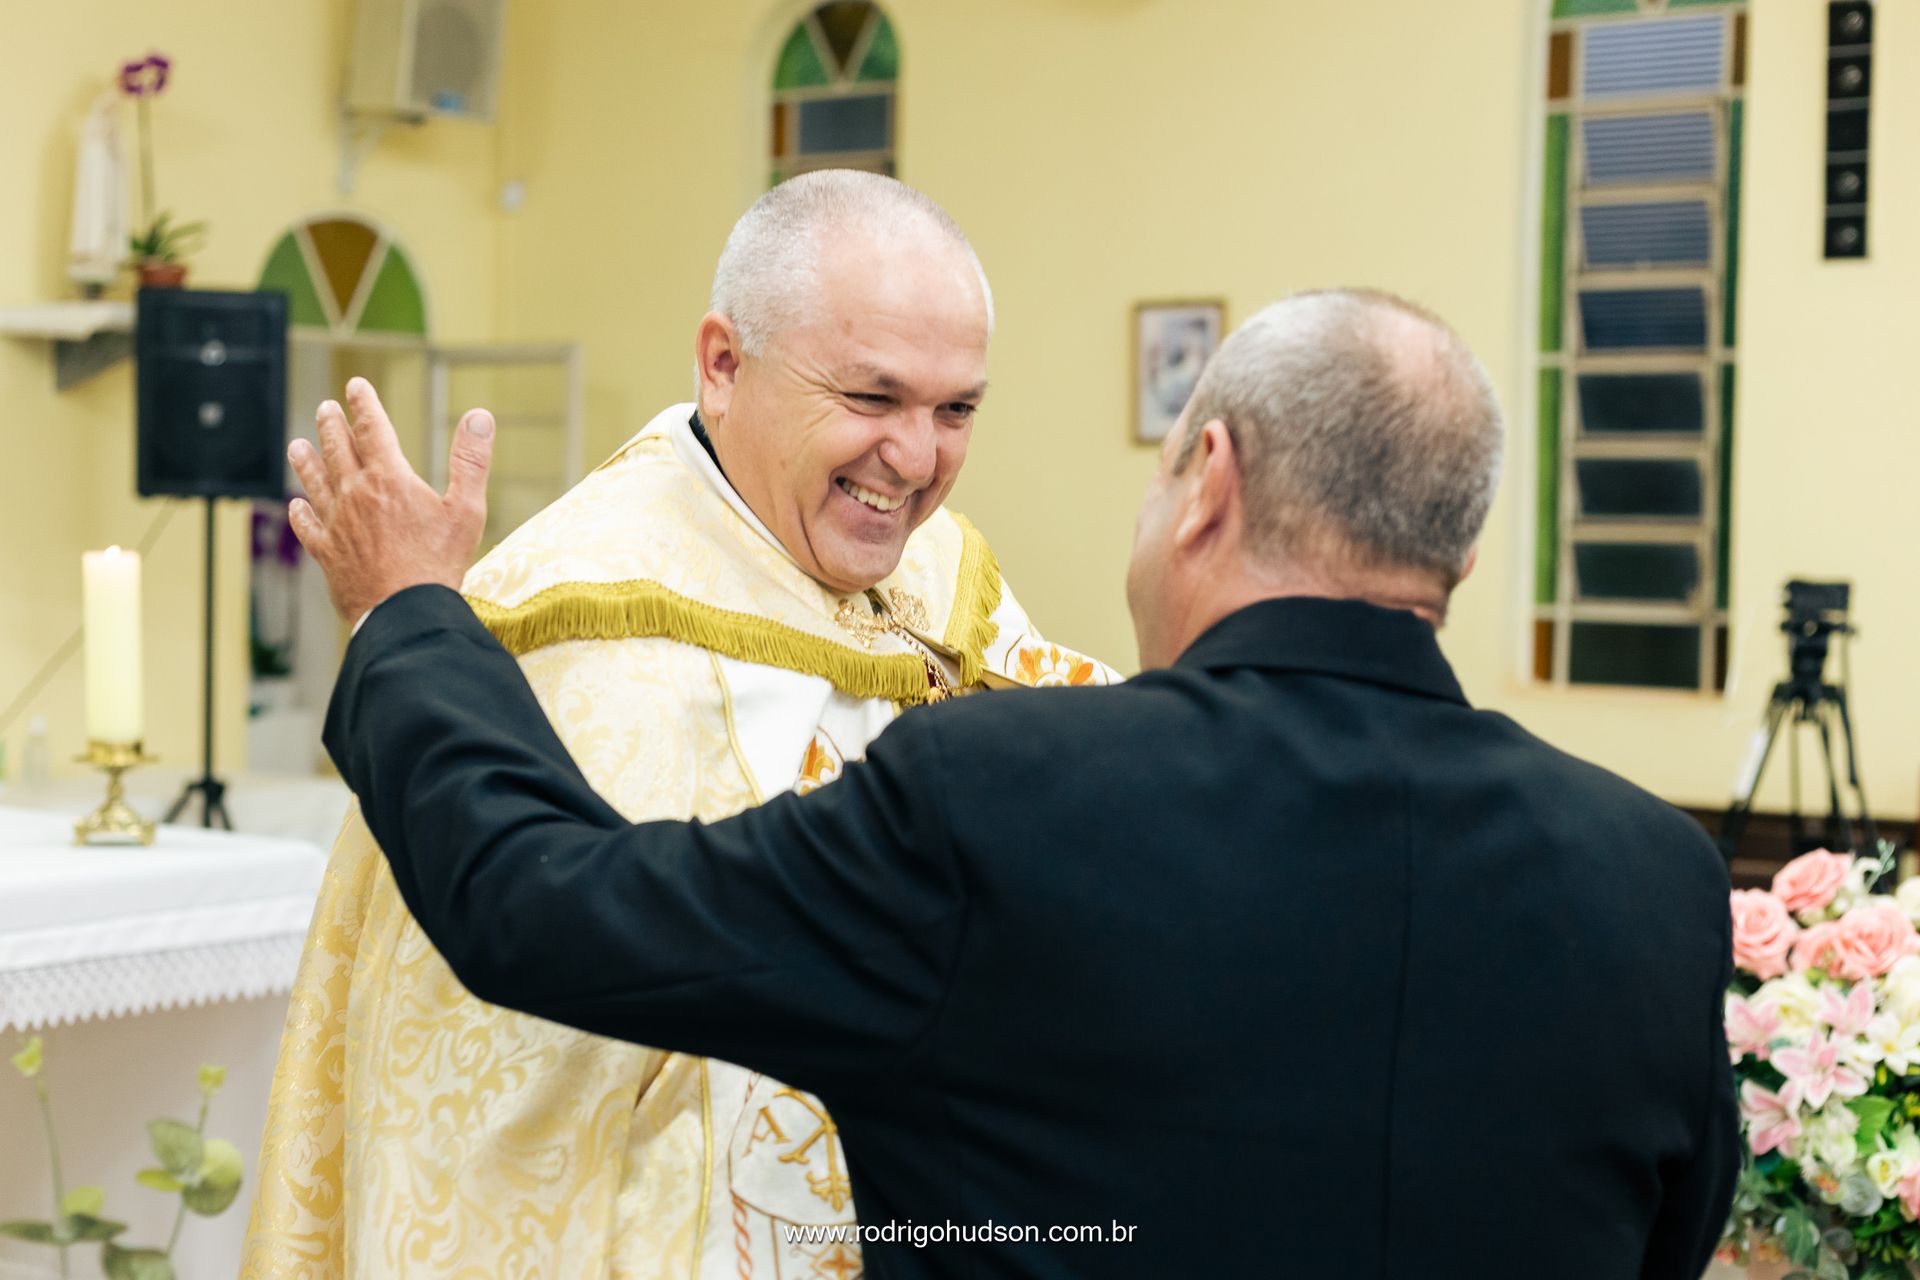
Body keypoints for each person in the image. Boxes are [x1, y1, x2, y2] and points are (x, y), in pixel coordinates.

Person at [290, 288, 1739, 1278]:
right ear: (1461, 561)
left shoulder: (1010, 793)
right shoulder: (1655, 878)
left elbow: (546, 909)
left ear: (1208, 483)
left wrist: (414, 613)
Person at [241, 172, 1114, 1279]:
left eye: (956, 410)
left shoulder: (947, 576)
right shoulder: (572, 621)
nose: (916, 458)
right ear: (721, 363)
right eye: (871, 397)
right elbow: (493, 1062)